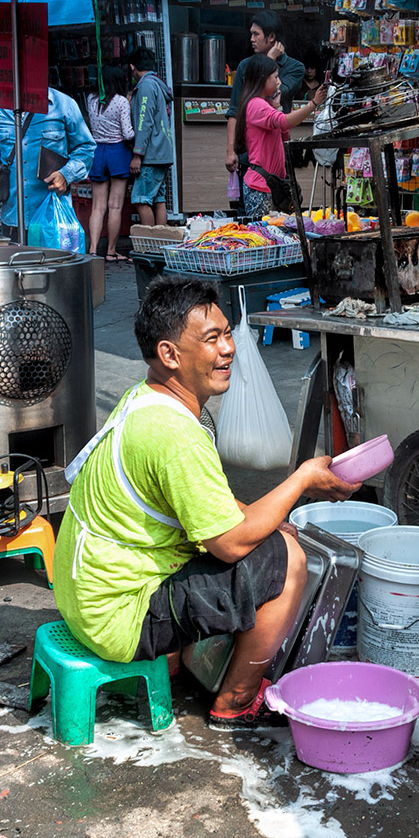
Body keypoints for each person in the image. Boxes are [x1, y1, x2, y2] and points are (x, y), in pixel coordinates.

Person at [52, 277, 359, 729]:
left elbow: (206, 499)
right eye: (212, 338)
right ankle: (236, 702)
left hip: (84, 598)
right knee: (287, 558)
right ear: (169, 354)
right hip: (118, 618)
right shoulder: (174, 434)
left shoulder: (145, 399)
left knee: (274, 530)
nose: (228, 349)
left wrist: (270, 518)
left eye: (227, 333)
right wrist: (303, 478)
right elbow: (231, 544)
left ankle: (183, 662)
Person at [0, 87, 95, 240]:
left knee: (53, 263)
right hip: (11, 219)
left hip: (53, 219)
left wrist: (66, 174)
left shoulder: (63, 104)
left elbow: (86, 147)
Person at [233, 56, 326, 219]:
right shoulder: (256, 104)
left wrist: (277, 106)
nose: (279, 81)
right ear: (262, 78)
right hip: (260, 186)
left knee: (274, 236)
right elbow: (285, 122)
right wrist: (313, 104)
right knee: (264, 238)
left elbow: (284, 134)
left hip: (272, 185)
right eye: (275, 76)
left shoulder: (265, 104)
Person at [225, 11, 306, 188]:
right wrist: (230, 150)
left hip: (276, 155)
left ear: (271, 37)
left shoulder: (295, 68)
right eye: (251, 34)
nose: (251, 39)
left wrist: (269, 61)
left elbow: (273, 95)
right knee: (247, 212)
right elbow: (234, 111)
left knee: (277, 214)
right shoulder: (245, 66)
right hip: (249, 155)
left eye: (256, 34)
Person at [84, 67, 134, 261]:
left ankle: (93, 249)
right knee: (115, 206)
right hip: (118, 152)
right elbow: (128, 133)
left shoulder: (91, 99)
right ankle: (111, 251)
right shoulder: (121, 102)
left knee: (98, 206)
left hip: (98, 152)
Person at [128, 47, 176, 230]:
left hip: (151, 154)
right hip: (163, 151)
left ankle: (149, 243)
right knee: (159, 198)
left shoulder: (146, 86)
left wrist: (137, 154)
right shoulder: (158, 84)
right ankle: (159, 243)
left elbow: (144, 121)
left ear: (132, 67)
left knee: (141, 198)